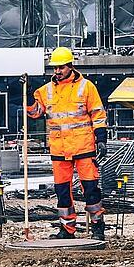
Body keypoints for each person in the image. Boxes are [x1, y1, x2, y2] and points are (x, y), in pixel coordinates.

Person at [26, 47, 111, 240]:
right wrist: (26, 92)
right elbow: (34, 113)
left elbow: (98, 115)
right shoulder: (45, 91)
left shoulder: (86, 87)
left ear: (71, 66)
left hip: (84, 148)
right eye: (55, 68)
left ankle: (98, 228)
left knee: (91, 191)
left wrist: (101, 139)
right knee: (62, 193)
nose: (57, 71)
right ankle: (67, 230)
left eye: (61, 67)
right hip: (59, 149)